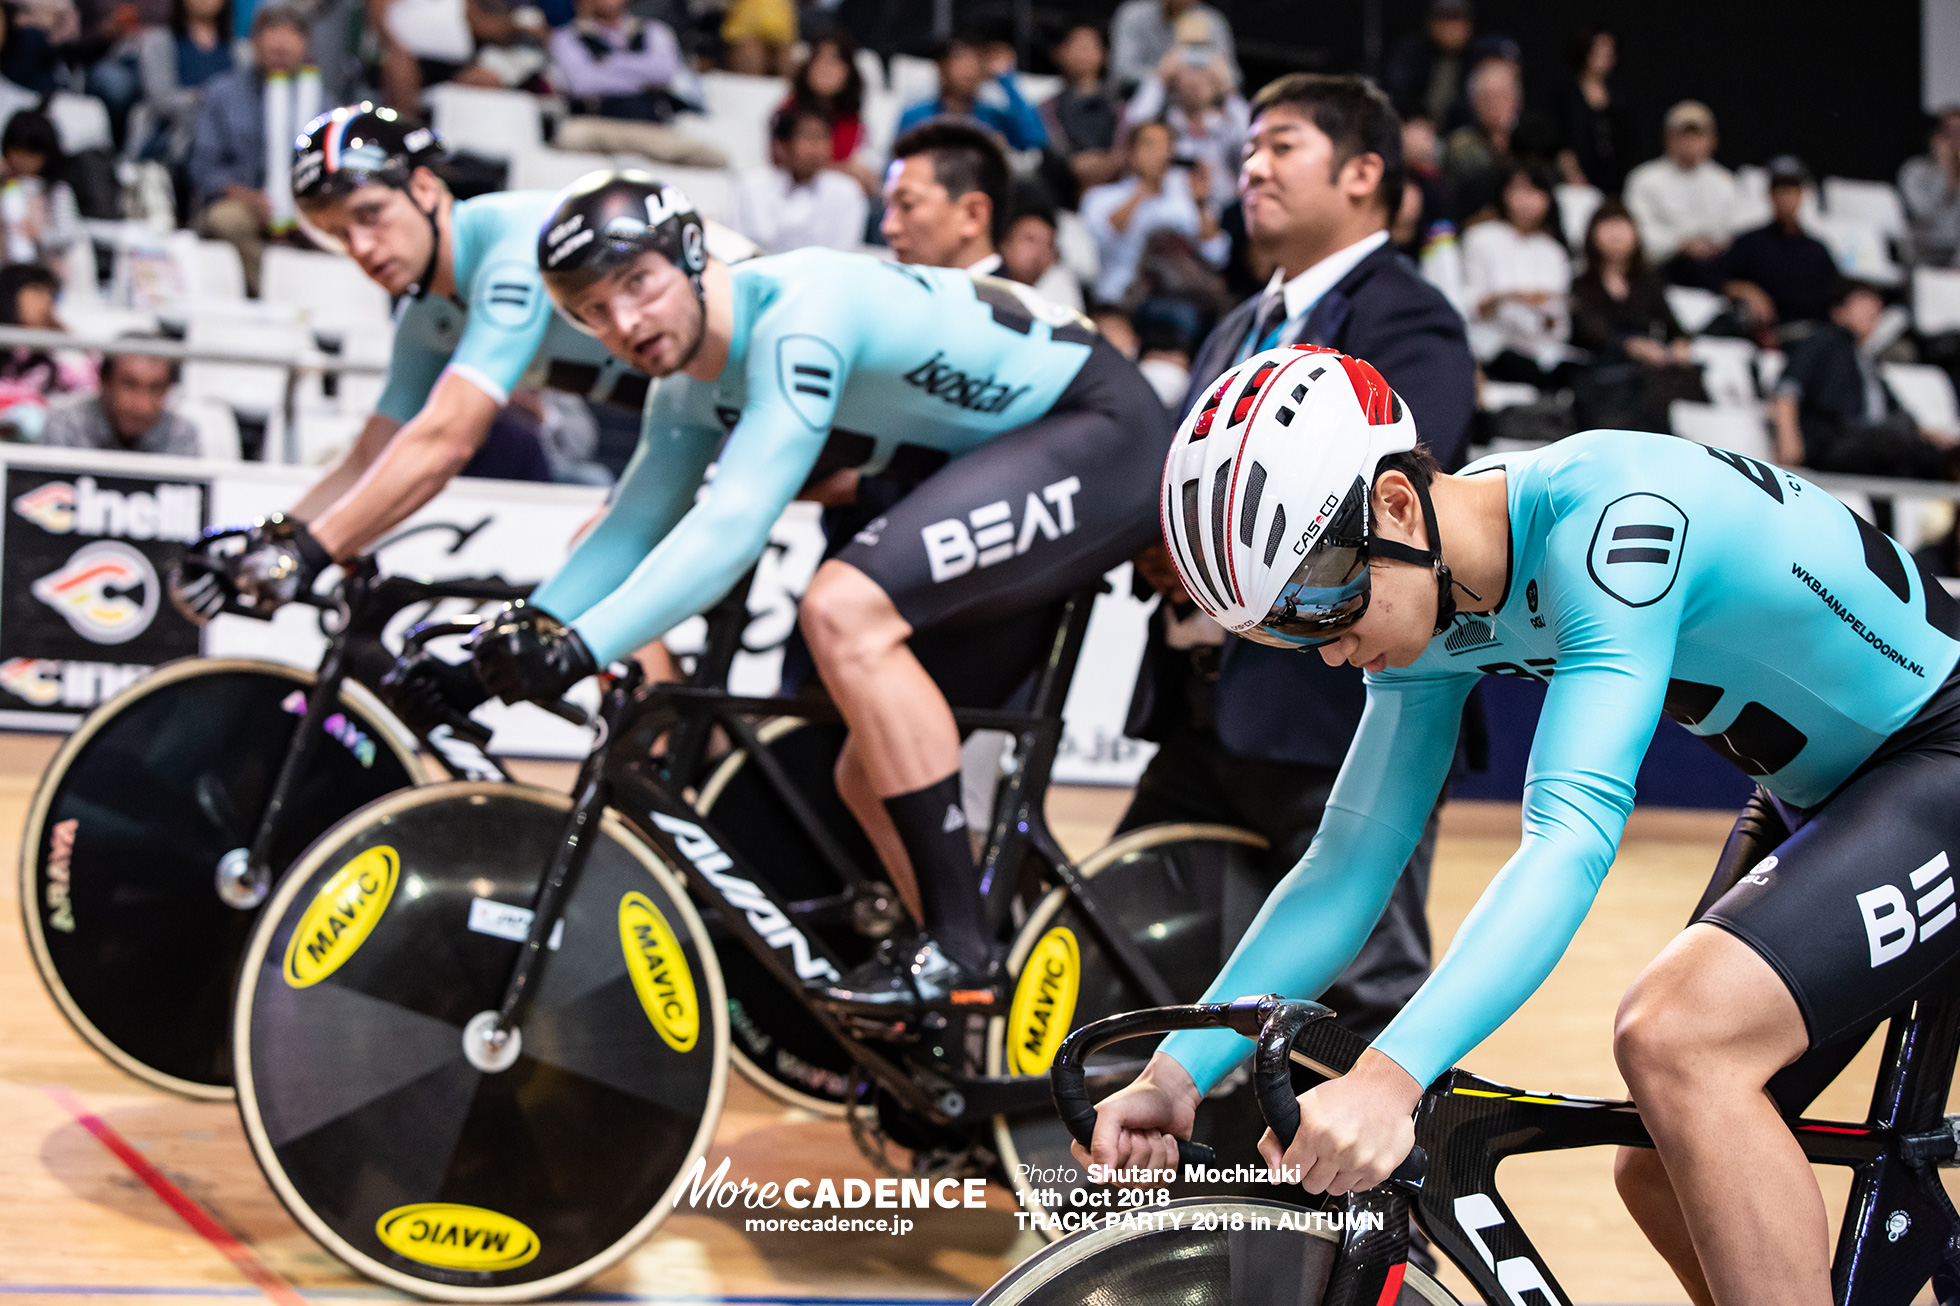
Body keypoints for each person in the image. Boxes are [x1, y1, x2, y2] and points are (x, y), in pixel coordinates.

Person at [1089, 336, 1960, 1306]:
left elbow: (1570, 835)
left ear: (1393, 503)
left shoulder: (1610, 520)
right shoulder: (1422, 606)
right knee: (1664, 1161)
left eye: (1322, 604)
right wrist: (1178, 1072)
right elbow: (1346, 862)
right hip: (1825, 790)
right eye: (1288, 634)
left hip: (1938, 753)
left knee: (1679, 1039)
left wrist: (1392, 1077)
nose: (1328, 652)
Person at [439, 171, 1172, 1012]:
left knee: (843, 607)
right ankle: (985, 1002)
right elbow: (631, 526)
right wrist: (511, 635)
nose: (625, 324)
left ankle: (959, 951)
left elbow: (730, 526)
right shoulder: (686, 386)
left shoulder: (794, 315)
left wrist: (574, 649)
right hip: (1020, 448)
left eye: (636, 285)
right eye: (593, 313)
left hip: (1101, 428)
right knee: (867, 771)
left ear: (689, 252)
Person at [1121, 72, 1475, 1054]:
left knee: (1359, 985)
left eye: (1279, 145)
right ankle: (1161, 1186)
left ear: (1363, 172)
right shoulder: (1237, 325)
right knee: (1131, 937)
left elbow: (1388, 509)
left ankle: (1385, 1205)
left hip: (1330, 708)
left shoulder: (1413, 318)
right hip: (1201, 703)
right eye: (1245, 150)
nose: (1252, 167)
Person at [168, 105, 645, 623]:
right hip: (684, 413)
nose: (363, 248)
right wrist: (266, 538)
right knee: (599, 576)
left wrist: (308, 553)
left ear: (423, 187)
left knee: (601, 574)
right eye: (341, 234)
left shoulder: (509, 246)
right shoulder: (427, 316)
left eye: (371, 214)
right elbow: (369, 457)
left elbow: (447, 442)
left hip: (722, 393)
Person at [187, 4, 311, 295]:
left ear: (305, 45)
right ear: (253, 41)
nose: (280, 43)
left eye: (291, 33)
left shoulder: (320, 102)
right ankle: (277, 295)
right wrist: (248, 198)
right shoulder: (223, 93)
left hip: (303, 211)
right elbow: (202, 168)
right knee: (225, 220)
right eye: (272, 31)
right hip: (244, 203)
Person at [1772, 279, 1953, 478]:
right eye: (1863, 302)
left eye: (1876, 304)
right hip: (1833, 441)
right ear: (1839, 311)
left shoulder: (1866, 361)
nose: (1873, 310)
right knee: (1891, 440)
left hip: (1875, 448)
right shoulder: (1821, 342)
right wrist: (1788, 439)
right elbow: (1788, 388)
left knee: (1939, 456)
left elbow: (1895, 411)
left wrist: (1933, 438)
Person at [546, 0, 725, 167]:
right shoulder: (567, 36)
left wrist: (611, 63)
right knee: (570, 136)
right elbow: (584, 83)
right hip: (597, 126)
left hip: (650, 128)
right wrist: (642, 73)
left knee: (714, 157)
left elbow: (664, 73)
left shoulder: (655, 30)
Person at [1569, 199, 1697, 430]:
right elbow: (1588, 330)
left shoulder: (1647, 281)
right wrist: (1631, 346)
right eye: (1607, 227)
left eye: (1622, 226)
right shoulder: (1582, 284)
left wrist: (1680, 344)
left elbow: (1673, 325)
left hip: (1645, 372)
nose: (1616, 235)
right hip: (1599, 368)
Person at [1079, 119, 1224, 307]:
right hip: (1118, 300)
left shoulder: (1185, 203)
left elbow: (1217, 255)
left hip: (1179, 298)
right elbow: (1100, 248)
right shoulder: (1099, 198)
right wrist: (1142, 191)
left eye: (1166, 145)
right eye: (1150, 145)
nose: (1159, 153)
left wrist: (1202, 204)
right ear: (1130, 153)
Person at [1462, 163, 1575, 389]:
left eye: (1536, 191)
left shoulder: (1554, 251)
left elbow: (1559, 325)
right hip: (1493, 348)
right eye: (1519, 190)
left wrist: (1546, 311)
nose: (1527, 200)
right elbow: (1468, 306)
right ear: (1503, 193)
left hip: (1542, 351)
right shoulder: (1481, 238)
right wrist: (1509, 297)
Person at [1624, 100, 1741, 288]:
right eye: (1683, 136)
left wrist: (1711, 246)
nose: (1691, 143)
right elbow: (1637, 233)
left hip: (1715, 266)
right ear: (1668, 138)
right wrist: (1681, 245)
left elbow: (1735, 230)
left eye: (1698, 135)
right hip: (1664, 268)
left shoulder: (1725, 181)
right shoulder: (1644, 179)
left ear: (1712, 140)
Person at [1720, 155, 1839, 336]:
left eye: (1791, 190)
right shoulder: (1750, 243)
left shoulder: (1817, 250)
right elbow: (1711, 275)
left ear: (1802, 195)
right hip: (1770, 335)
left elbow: (1837, 293)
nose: (1785, 197)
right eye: (1779, 190)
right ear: (1769, 195)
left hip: (1816, 334)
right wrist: (1742, 289)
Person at [732, 104, 868, 255]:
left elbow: (844, 254)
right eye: (808, 136)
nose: (816, 146)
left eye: (823, 137)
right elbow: (734, 246)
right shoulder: (750, 186)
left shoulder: (847, 192)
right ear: (784, 144)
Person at [880, 119, 1008, 273]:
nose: (888, 228)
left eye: (907, 205)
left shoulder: (1001, 297)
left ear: (972, 214)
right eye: (887, 206)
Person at [895, 33, 1045, 152]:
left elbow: (1034, 140)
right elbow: (896, 161)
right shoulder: (916, 117)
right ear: (940, 66)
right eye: (960, 59)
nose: (969, 69)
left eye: (976, 61)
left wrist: (1007, 79)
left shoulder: (992, 117)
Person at [43, 343, 201, 454]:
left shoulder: (181, 434)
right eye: (130, 385)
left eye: (155, 388)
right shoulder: (67, 425)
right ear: (104, 382)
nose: (142, 405)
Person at [132, 0, 233, 164]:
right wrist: (202, 98)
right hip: (174, 141)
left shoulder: (239, 51)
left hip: (226, 142)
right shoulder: (160, 41)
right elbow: (160, 99)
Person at [781, 32, 877, 195]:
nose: (826, 68)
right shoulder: (786, 111)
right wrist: (843, 170)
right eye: (820, 59)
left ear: (848, 71)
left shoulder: (854, 119)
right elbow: (783, 163)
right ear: (808, 65)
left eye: (835, 61)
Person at [1041, 22, 1121, 195]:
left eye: (1089, 46)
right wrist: (1073, 163)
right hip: (1063, 186)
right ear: (1060, 52)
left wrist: (1110, 162)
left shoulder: (1119, 105)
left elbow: (1123, 143)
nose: (1083, 53)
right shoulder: (1048, 106)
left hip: (1112, 186)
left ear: (1105, 55)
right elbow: (1052, 143)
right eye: (1076, 45)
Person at [1438, 55, 1519, 223]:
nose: (1494, 104)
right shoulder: (1459, 144)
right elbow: (1474, 191)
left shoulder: (1531, 140)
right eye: (1486, 97)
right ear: (1473, 103)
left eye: (1501, 95)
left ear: (1517, 100)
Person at [1556, 26, 1635, 195]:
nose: (1606, 57)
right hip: (1580, 178)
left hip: (1617, 177)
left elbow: (1631, 139)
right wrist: (1573, 174)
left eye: (1610, 52)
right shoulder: (1567, 95)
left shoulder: (1621, 95)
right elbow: (1561, 141)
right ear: (1585, 52)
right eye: (1599, 51)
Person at [0, 111, 82, 269]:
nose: (22, 159)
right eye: (16, 151)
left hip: (42, 273)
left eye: (31, 153)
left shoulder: (56, 190)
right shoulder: (5, 184)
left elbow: (68, 234)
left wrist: (40, 235)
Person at [1107, 0, 1238, 98]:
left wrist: (1215, 72)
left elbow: (1234, 78)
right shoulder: (1134, 14)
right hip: (1141, 101)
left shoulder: (1212, 21)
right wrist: (1161, 75)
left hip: (1199, 105)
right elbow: (1122, 71)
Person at [1382, 0, 1472, 129]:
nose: (1450, 27)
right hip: (1418, 128)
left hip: (1466, 130)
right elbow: (1397, 93)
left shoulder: (1477, 56)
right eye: (1444, 18)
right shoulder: (1412, 52)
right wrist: (1415, 119)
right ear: (1430, 23)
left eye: (1456, 18)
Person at [998, 193, 1083, 311]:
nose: (1040, 250)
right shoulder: (981, 282)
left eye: (1049, 245)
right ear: (1005, 244)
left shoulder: (1056, 303)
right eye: (1030, 239)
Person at [1901, 107, 1960, 268]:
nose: (1955, 142)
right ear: (1935, 136)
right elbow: (1923, 213)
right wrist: (1943, 171)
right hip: (1922, 253)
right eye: (1950, 134)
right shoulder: (1914, 171)